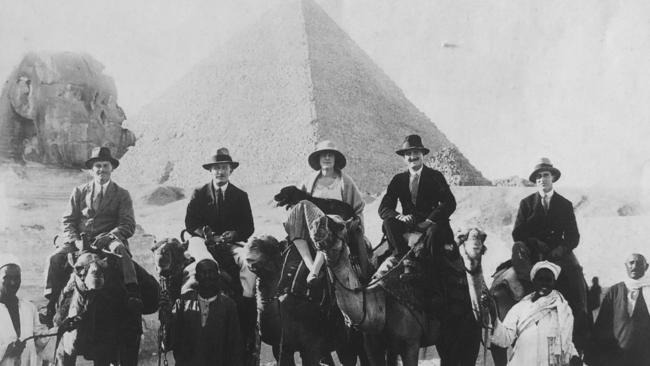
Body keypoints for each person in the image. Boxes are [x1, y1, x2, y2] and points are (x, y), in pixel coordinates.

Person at [43, 146, 139, 325]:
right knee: (54, 258)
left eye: (105, 165)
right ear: (92, 169)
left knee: (120, 250)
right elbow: (67, 220)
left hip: (107, 240)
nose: (101, 170)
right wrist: (76, 240)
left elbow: (128, 224)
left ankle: (132, 292)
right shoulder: (79, 191)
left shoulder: (122, 194)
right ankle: (50, 305)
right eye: (98, 166)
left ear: (112, 168)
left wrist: (111, 236)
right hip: (80, 240)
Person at [184, 147, 256, 365]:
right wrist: (204, 233)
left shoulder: (240, 196)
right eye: (216, 168)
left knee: (248, 262)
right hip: (204, 243)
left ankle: (246, 301)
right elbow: (190, 223)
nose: (220, 172)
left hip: (230, 244)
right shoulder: (199, 193)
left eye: (224, 168)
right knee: (201, 264)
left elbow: (248, 226)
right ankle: (180, 308)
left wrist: (234, 233)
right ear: (211, 171)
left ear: (230, 171)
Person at [511, 157, 588, 344]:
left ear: (552, 177)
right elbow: (517, 233)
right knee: (512, 277)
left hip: (558, 254)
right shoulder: (526, 203)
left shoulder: (564, 204)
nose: (541, 179)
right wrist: (534, 242)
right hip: (532, 253)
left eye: (545, 175)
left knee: (576, 275)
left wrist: (560, 249)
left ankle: (582, 324)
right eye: (537, 177)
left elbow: (573, 236)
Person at [288, 140, 366, 285]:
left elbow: (358, 209)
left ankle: (314, 271)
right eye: (323, 155)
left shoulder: (346, 182)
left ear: (336, 159)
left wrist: (356, 224)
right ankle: (311, 266)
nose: (327, 158)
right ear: (318, 159)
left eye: (331, 155)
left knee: (328, 225)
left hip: (338, 230)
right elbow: (297, 206)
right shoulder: (308, 181)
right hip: (311, 231)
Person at [377, 134, 456, 267]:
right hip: (410, 223)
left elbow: (449, 202)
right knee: (388, 223)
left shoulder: (435, 176)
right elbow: (384, 208)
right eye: (408, 153)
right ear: (404, 158)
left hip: (432, 224)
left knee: (435, 232)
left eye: (416, 152)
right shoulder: (398, 180)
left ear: (422, 154)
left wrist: (429, 221)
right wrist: (400, 217)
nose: (412, 157)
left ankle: (432, 268)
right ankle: (402, 258)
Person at [491, 261, 581, 366]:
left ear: (554, 282)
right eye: (540, 279)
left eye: (548, 280)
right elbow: (505, 339)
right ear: (533, 281)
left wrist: (574, 356)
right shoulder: (520, 307)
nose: (544, 283)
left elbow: (566, 341)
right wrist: (494, 316)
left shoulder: (562, 308)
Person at [164, 258, 243, 366]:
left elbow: (234, 343)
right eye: (203, 273)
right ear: (196, 277)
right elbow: (169, 340)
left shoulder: (228, 305)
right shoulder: (183, 303)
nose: (207, 276)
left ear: (218, 277)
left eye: (211, 272)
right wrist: (166, 315)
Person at [1, 255, 69, 366]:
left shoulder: (28, 308)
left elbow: (40, 340)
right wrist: (6, 350)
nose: (13, 282)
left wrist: (60, 329)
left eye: (17, 277)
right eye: (7, 278)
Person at [591, 253, 650, 365]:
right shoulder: (614, 291)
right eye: (631, 262)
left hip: (644, 357)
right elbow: (601, 325)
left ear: (646, 266)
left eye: (638, 263)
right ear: (625, 265)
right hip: (617, 357)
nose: (634, 266)